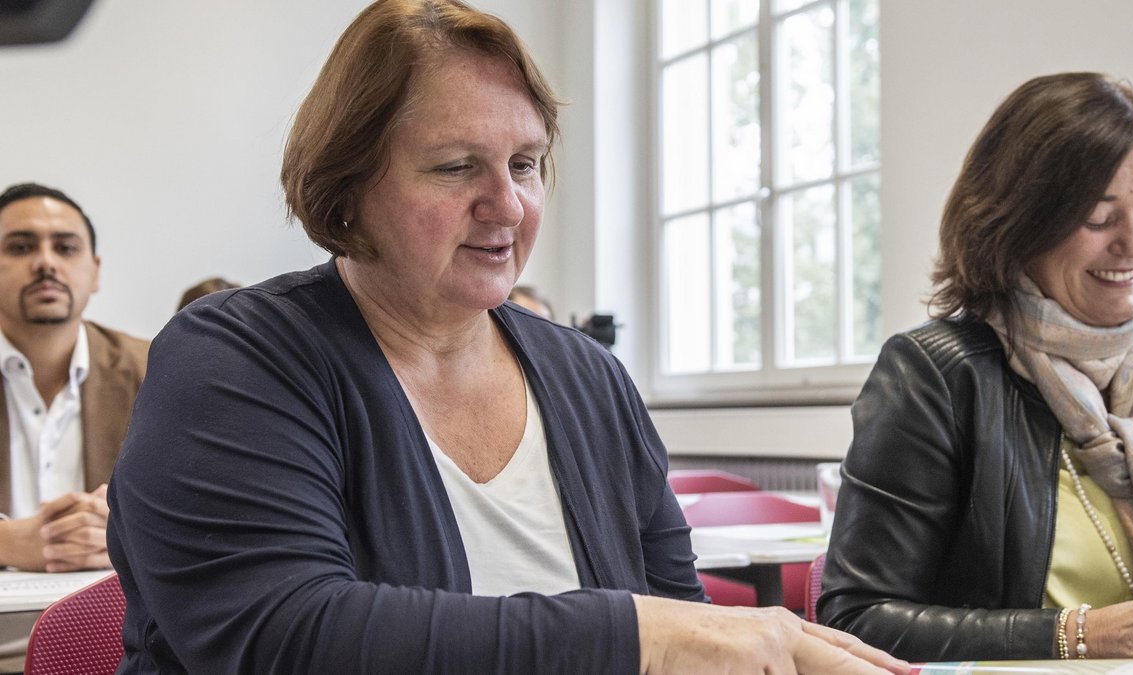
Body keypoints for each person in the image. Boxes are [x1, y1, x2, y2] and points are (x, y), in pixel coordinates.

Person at [105, 1, 908, 674]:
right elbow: (285, 634)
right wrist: (637, 633)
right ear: (347, 189)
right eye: (457, 167)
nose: (509, 205)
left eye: (524, 164)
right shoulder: (232, 359)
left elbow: (683, 620)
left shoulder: (590, 378)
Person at [819, 72, 1133, 662]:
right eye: (1100, 219)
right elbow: (858, 620)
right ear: (1019, 224)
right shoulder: (937, 376)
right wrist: (1085, 634)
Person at [0, 182, 148, 574]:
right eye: (20, 247)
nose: (45, 263)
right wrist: (6, 542)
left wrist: (126, 535)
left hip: (116, 626)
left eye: (65, 248)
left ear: (94, 271)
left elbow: (210, 509)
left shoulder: (156, 368)